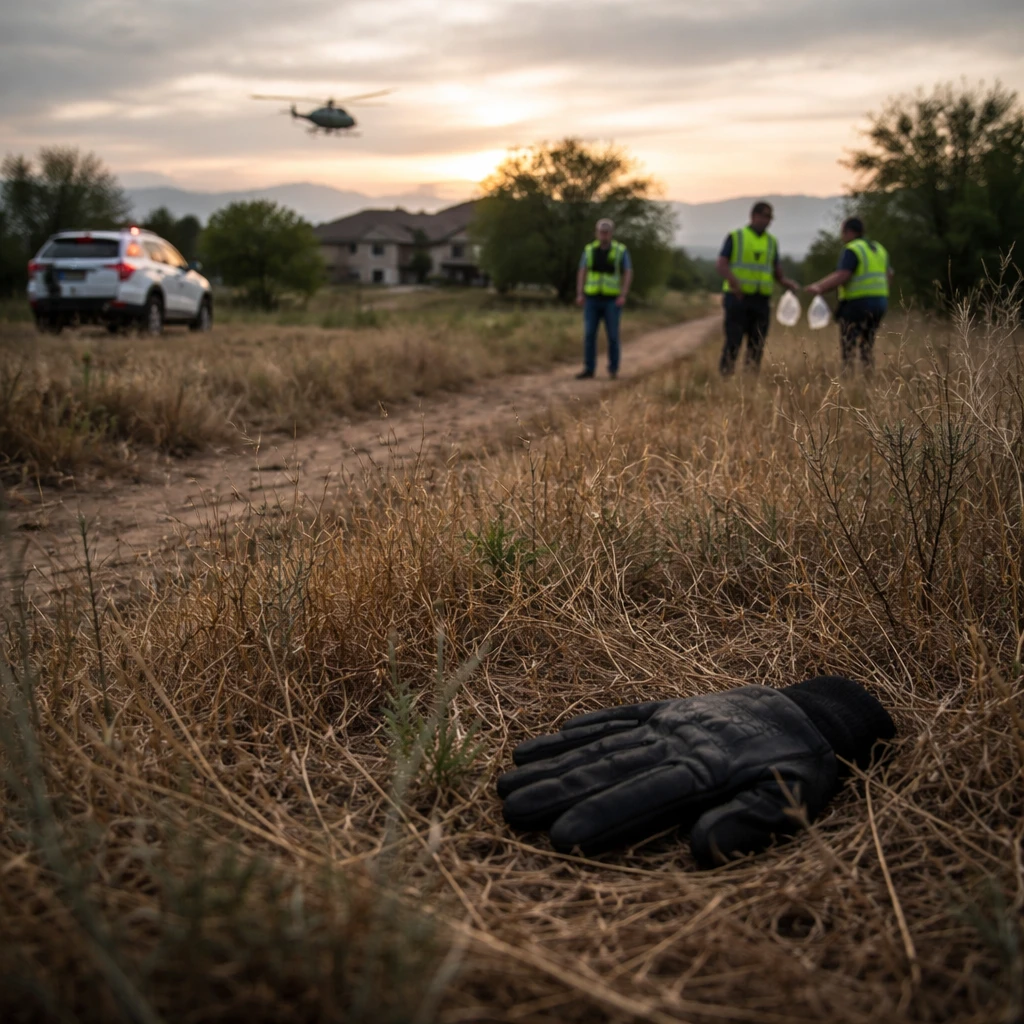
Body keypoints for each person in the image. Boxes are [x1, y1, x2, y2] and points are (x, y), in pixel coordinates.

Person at [716, 201, 800, 375]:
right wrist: (734, 283)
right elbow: (722, 265)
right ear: (753, 216)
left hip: (761, 300)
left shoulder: (772, 242)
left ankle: (750, 380)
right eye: (764, 216)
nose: (767, 220)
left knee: (757, 344)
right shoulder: (736, 236)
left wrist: (786, 283)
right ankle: (725, 377)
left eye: (769, 217)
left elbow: (776, 271)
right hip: (737, 298)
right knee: (733, 341)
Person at [806, 217, 892, 371]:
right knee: (867, 343)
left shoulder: (852, 249)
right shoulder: (879, 248)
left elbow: (843, 275)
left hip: (858, 304)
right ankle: (868, 376)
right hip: (880, 303)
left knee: (848, 344)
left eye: (843, 232)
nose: (842, 236)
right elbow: (889, 274)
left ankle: (848, 377)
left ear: (849, 232)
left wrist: (819, 287)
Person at [575, 218, 633, 380]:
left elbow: (628, 272)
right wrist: (580, 293)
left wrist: (623, 294)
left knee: (613, 336)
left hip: (612, 300)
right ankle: (589, 369)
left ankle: (613, 369)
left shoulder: (620, 250)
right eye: (601, 232)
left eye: (606, 232)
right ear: (596, 232)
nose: (604, 235)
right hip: (591, 299)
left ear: (611, 233)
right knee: (589, 335)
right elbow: (582, 271)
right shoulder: (589, 250)